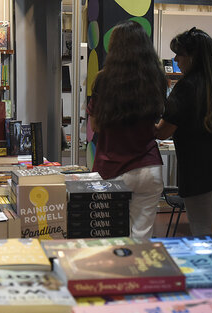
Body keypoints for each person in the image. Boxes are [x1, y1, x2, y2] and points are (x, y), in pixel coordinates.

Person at [155, 27, 212, 236]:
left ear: (193, 56)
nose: (176, 59)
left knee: (201, 229)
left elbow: (162, 132)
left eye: (180, 54)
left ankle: (206, 269)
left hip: (198, 168)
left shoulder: (186, 87)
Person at [87, 20, 167, 239]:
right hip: (149, 167)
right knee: (141, 238)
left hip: (112, 168)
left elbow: (95, 125)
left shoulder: (103, 79)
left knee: (111, 238)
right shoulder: (156, 79)